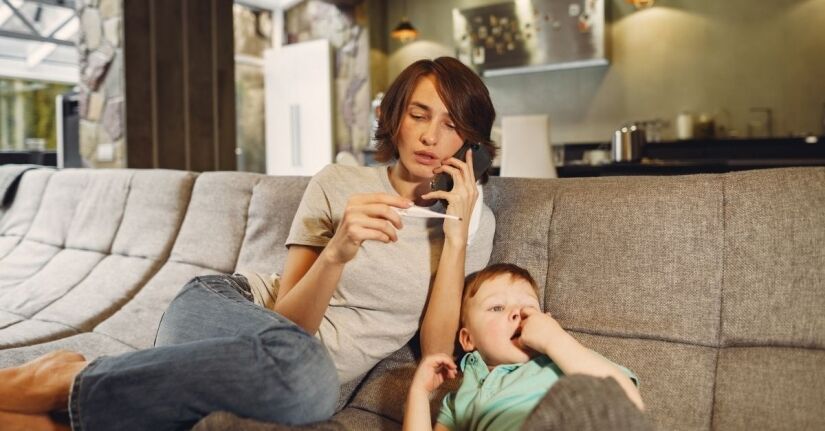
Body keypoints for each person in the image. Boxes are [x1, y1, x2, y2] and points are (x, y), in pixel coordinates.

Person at [0, 56, 497, 431]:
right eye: (419, 114)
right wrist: (338, 251)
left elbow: (435, 352)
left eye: (451, 125)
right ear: (395, 117)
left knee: (304, 383)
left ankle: (63, 389)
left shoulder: (472, 223)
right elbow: (291, 321)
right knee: (310, 377)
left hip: (277, 374)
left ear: (469, 142)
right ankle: (59, 381)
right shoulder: (338, 182)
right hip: (226, 308)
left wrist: (455, 237)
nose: (431, 136)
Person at [403, 263, 645, 431]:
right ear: (468, 340)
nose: (516, 314)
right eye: (497, 307)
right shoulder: (460, 401)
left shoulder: (564, 360)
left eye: (528, 306)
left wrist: (554, 339)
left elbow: (628, 402)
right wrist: (419, 394)